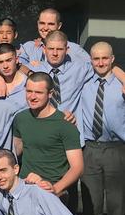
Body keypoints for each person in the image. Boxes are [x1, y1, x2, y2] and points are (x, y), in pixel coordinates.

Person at [79, 42, 125, 215]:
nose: (100, 62)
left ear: (112, 59)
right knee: (92, 208)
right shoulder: (84, 82)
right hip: (90, 149)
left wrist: (119, 72)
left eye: (105, 58)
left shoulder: (121, 83)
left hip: (117, 149)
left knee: (117, 208)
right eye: (96, 58)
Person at [13, 72, 83, 200]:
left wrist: (56, 188)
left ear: (50, 94)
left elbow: (77, 167)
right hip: (25, 187)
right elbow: (16, 151)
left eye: (38, 92)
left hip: (53, 189)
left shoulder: (65, 123)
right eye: (29, 91)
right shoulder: (20, 118)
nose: (32, 97)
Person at [19, 8, 90, 66]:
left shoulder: (73, 48)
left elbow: (91, 67)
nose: (45, 28)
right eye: (42, 23)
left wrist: (42, 66)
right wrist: (29, 69)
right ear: (38, 23)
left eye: (50, 24)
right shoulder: (28, 48)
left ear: (59, 26)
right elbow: (18, 67)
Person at [0, 43, 27, 108]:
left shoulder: (28, 84)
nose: (5, 66)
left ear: (17, 60)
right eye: (0, 62)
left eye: (9, 60)